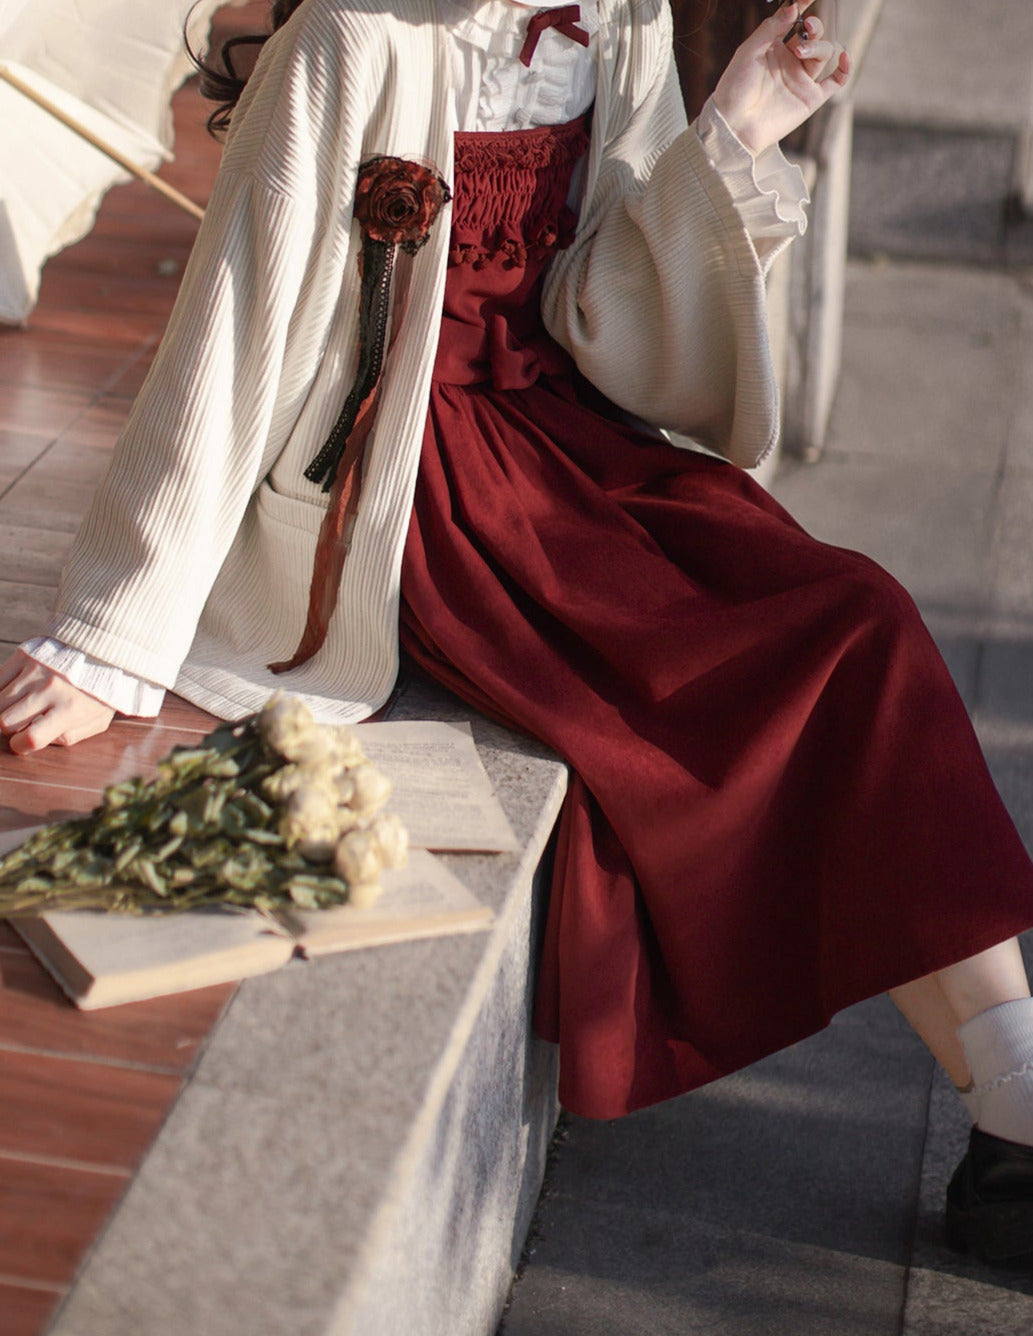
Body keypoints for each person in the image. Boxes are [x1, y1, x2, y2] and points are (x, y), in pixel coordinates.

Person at [2, 0, 1033, 1267]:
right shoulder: (350, 40)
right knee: (745, 668)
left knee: (854, 612)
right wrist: (112, 631)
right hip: (408, 480)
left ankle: (1012, 1111)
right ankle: (1014, 1116)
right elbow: (231, 326)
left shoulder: (613, 25)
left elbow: (603, 313)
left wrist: (738, 127)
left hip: (565, 438)